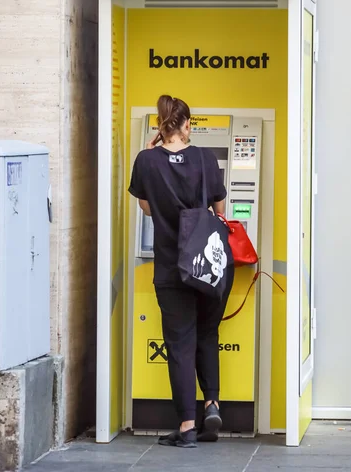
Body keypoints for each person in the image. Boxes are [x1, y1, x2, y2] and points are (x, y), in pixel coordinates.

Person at [128, 95, 234, 448]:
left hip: (172, 268)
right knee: (207, 332)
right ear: (187, 124)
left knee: (179, 344)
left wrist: (148, 151)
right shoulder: (205, 158)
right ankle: (213, 403)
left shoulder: (146, 161)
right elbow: (221, 208)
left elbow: (146, 208)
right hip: (207, 265)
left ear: (160, 127)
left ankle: (188, 426)